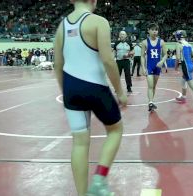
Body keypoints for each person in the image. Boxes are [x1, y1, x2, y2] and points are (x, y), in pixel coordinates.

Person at [53, 0, 127, 195]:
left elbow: (57, 65)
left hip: (71, 89)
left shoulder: (62, 27)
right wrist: (120, 91)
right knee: (115, 130)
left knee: (79, 143)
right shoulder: (98, 22)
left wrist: (67, 93)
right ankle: (100, 181)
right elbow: (108, 61)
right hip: (95, 87)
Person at [141, 23, 168, 112]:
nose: (154, 32)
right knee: (150, 85)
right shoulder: (145, 42)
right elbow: (142, 56)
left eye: (156, 30)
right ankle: (150, 103)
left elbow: (166, 54)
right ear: (148, 30)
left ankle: (151, 102)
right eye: (152, 30)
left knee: (154, 86)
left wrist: (161, 61)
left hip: (158, 67)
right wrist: (143, 68)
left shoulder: (161, 42)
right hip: (149, 66)